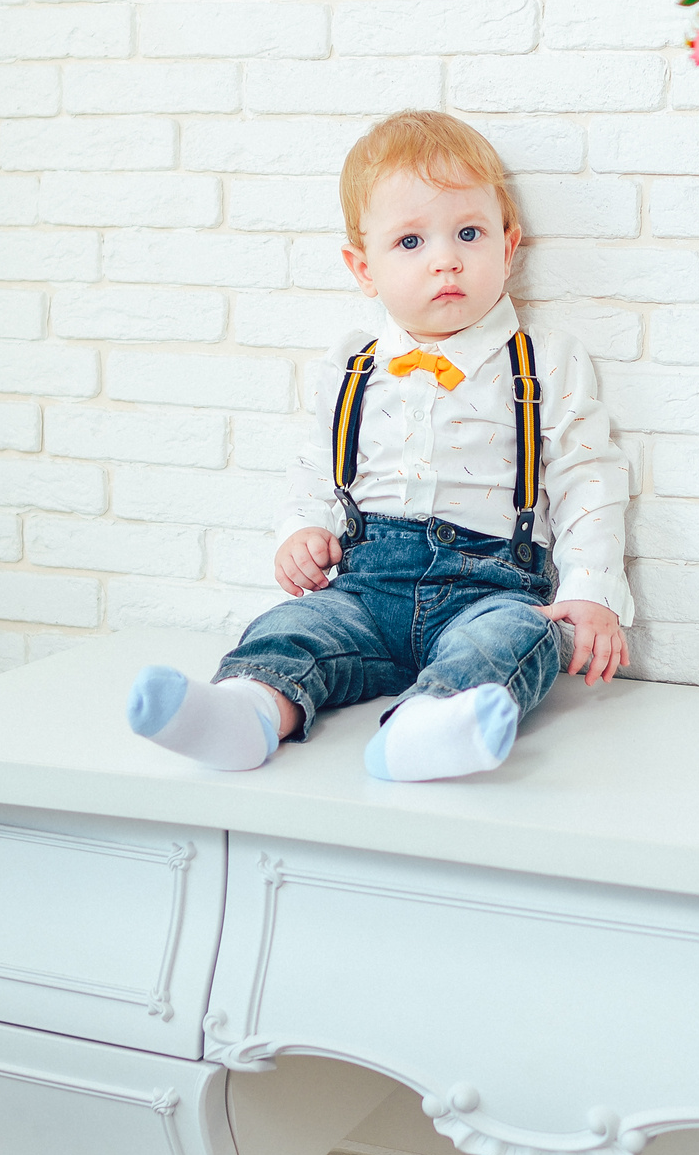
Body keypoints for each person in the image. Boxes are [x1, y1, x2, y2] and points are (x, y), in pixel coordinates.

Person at [127, 110, 633, 781]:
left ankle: (429, 725)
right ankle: (247, 710)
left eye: (469, 233)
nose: (445, 258)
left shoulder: (544, 359)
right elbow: (316, 460)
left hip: (492, 586)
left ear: (509, 248)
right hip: (365, 587)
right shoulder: (353, 363)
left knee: (521, 636)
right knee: (296, 627)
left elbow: (586, 476)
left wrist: (591, 589)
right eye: (411, 241)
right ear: (363, 269)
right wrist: (302, 529)